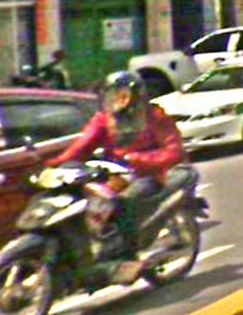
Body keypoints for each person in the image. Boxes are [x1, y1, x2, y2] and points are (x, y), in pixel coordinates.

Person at [45, 70, 186, 284]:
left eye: (123, 94)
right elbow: (82, 145)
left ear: (136, 96)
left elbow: (173, 152)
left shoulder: (155, 117)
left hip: (150, 175)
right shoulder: (104, 119)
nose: (117, 100)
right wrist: (55, 164)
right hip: (114, 173)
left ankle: (126, 254)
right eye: (113, 94)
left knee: (124, 202)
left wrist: (138, 159)